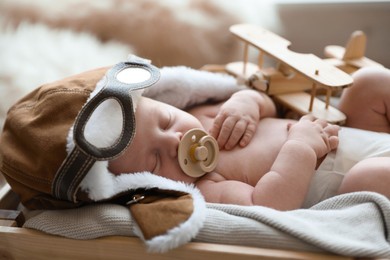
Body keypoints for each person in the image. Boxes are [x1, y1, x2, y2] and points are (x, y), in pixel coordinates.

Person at [108, 66, 390, 211]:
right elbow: (268, 207)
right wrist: (300, 147)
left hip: (356, 133)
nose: (174, 140)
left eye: (166, 121)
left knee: (369, 83)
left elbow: (270, 106)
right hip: (351, 176)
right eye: (156, 160)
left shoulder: (204, 111)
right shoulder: (209, 186)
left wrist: (247, 101)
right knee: (365, 180)